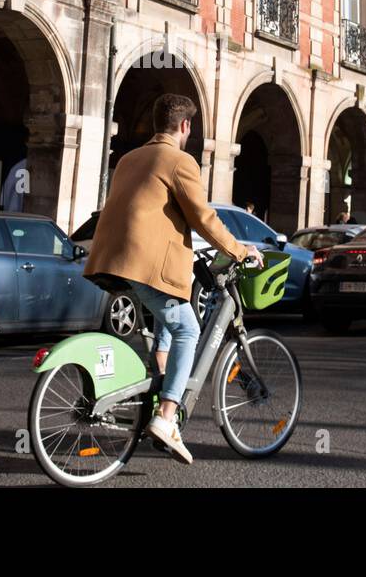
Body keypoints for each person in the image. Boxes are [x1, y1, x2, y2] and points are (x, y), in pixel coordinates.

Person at [84, 93, 261, 465]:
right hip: (142, 264)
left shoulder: (129, 158)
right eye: (190, 127)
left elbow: (153, 214)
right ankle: (166, 417)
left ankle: (161, 391)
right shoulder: (179, 161)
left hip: (110, 262)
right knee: (188, 331)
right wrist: (241, 251)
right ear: (184, 126)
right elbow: (203, 217)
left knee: (167, 323)